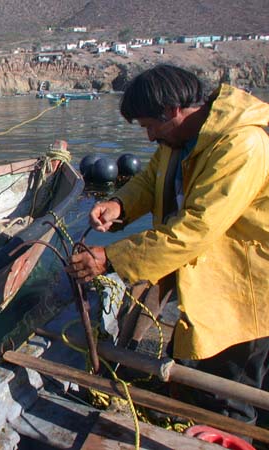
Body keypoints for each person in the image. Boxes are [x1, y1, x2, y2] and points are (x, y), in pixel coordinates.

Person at [67, 64, 269, 424]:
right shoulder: (180, 140)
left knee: (227, 396)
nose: (148, 138)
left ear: (173, 110)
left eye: (149, 126)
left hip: (244, 289)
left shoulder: (242, 144)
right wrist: (120, 205)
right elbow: (149, 180)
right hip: (205, 281)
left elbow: (196, 228)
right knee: (194, 374)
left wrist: (110, 257)